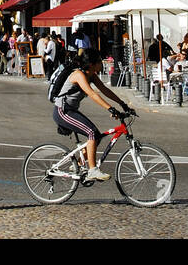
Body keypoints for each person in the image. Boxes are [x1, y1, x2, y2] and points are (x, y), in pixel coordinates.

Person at [51, 48, 134, 181]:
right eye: (100, 61)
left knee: (97, 135)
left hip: (71, 110)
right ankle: (92, 170)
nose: (102, 64)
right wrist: (110, 109)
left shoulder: (91, 75)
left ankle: (78, 163)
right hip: (63, 111)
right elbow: (92, 94)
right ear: (92, 64)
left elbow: (104, 90)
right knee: (92, 133)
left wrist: (122, 103)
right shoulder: (79, 75)